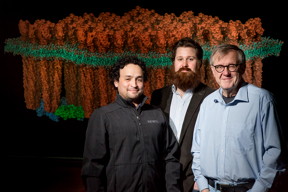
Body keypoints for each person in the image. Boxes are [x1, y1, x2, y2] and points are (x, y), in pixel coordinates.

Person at [191, 44, 286, 192]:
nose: (226, 72)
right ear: (212, 70)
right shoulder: (207, 104)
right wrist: (203, 187)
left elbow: (275, 153)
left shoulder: (263, 100)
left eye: (231, 66)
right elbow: (197, 150)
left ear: (242, 68)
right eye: (220, 67)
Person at [81, 55, 181, 192]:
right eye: (128, 79)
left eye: (139, 79)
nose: (134, 84)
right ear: (116, 82)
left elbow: (171, 157)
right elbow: (93, 168)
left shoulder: (157, 114)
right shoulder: (103, 116)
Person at [150, 37, 214, 192]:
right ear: (174, 63)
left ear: (199, 63)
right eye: (180, 59)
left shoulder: (211, 97)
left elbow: (214, 143)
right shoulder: (158, 96)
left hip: (194, 183)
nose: (184, 64)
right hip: (161, 180)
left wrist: (203, 180)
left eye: (190, 59)